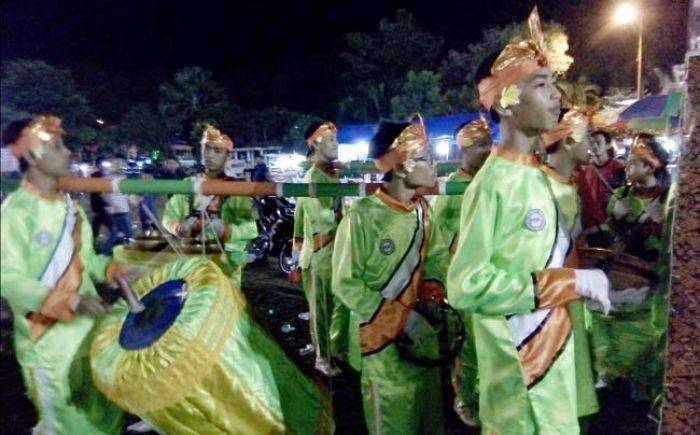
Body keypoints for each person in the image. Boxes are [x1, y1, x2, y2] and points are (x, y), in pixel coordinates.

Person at [446, 8, 611, 434]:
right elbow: (466, 284)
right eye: (541, 84)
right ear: (506, 100)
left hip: (549, 363)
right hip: (519, 379)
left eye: (553, 83)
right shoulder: (492, 184)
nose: (556, 95)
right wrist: (568, 283)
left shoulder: (536, 175)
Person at [0, 116, 130, 434]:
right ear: (31, 156)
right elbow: (7, 277)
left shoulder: (70, 207)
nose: (68, 153)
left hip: (91, 337)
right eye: (56, 146)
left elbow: (85, 260)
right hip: (48, 347)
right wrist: (69, 301)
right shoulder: (16, 212)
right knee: (70, 424)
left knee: (107, 418)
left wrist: (114, 270)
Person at [332, 115, 448, 435]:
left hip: (423, 342)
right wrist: (401, 319)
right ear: (400, 166)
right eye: (424, 158)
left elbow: (436, 258)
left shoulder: (424, 211)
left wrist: (432, 293)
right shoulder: (362, 217)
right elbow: (345, 282)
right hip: (383, 347)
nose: (434, 166)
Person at [592, 134, 670, 400]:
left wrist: (657, 224)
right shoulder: (622, 195)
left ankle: (642, 375)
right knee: (610, 319)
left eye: (635, 163)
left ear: (651, 167)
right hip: (623, 270)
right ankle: (609, 370)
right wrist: (615, 217)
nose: (627, 167)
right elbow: (611, 233)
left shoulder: (667, 199)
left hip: (650, 272)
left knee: (644, 325)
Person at [431, 116, 492, 426]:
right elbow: (436, 238)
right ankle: (465, 397)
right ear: (462, 152)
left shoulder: (492, 181)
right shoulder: (451, 189)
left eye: (488, 142)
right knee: (467, 344)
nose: (488, 149)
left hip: (494, 279)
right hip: (465, 281)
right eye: (480, 145)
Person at [541, 108, 601, 421]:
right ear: (568, 141)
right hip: (550, 305)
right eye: (586, 136)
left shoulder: (567, 184)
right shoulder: (543, 189)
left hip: (570, 295)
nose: (591, 144)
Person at [162, 124, 257, 288]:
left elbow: (251, 228)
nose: (209, 155)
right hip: (192, 265)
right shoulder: (188, 185)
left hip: (227, 268)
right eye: (206, 148)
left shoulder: (236, 189)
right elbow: (168, 216)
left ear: (228, 155)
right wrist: (178, 227)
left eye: (217, 151)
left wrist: (226, 230)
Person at [291, 120, 349, 375]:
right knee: (322, 310)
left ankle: (335, 347)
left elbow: (299, 215)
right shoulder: (314, 176)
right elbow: (322, 217)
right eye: (331, 139)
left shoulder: (329, 173)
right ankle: (323, 357)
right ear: (316, 142)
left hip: (334, 251)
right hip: (319, 253)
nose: (336, 144)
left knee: (342, 304)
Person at [575, 129, 625, 244]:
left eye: (598, 142)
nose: (594, 146)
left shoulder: (618, 168)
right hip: (589, 224)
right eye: (591, 143)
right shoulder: (584, 169)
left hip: (609, 223)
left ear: (608, 145)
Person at [102, 155, 134, 255]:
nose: (121, 166)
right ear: (113, 164)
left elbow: (126, 193)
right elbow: (104, 194)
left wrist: (131, 200)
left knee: (120, 233)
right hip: (115, 210)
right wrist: (111, 204)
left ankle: (111, 251)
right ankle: (107, 251)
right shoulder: (108, 178)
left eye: (123, 164)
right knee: (126, 232)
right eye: (118, 163)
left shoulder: (124, 177)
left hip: (123, 209)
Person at [137, 166, 158, 235]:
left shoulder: (153, 184)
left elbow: (156, 196)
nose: (148, 178)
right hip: (146, 210)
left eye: (149, 177)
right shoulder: (140, 185)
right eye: (146, 176)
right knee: (146, 225)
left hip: (150, 209)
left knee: (150, 225)